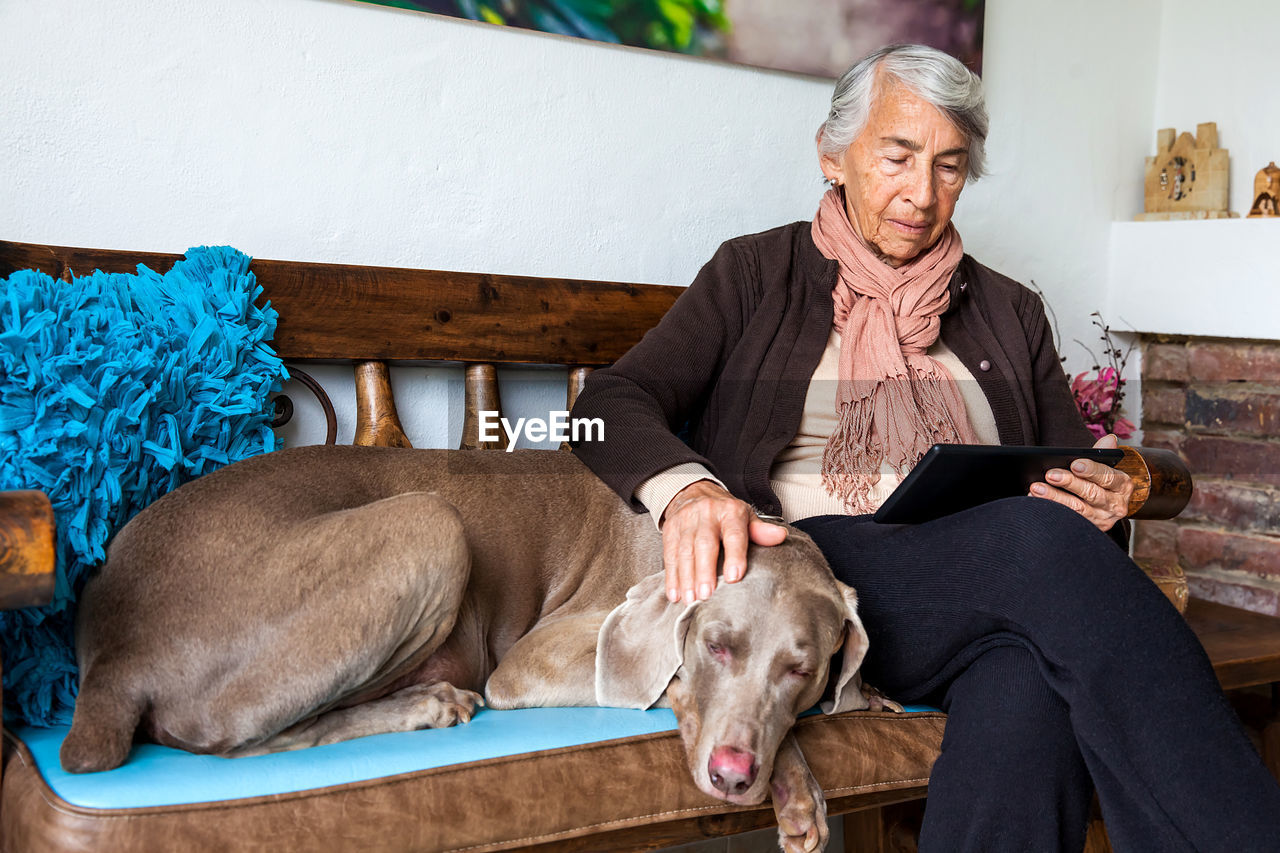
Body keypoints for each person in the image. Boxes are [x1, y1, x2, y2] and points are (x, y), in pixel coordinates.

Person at [571, 43, 1280, 852]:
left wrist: (1105, 495)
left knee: (1025, 684)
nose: (922, 193)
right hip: (817, 579)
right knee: (1037, 548)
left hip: (993, 588)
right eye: (898, 156)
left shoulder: (1009, 310)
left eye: (949, 166)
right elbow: (608, 403)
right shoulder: (754, 275)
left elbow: (1071, 466)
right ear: (833, 155)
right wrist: (689, 494)